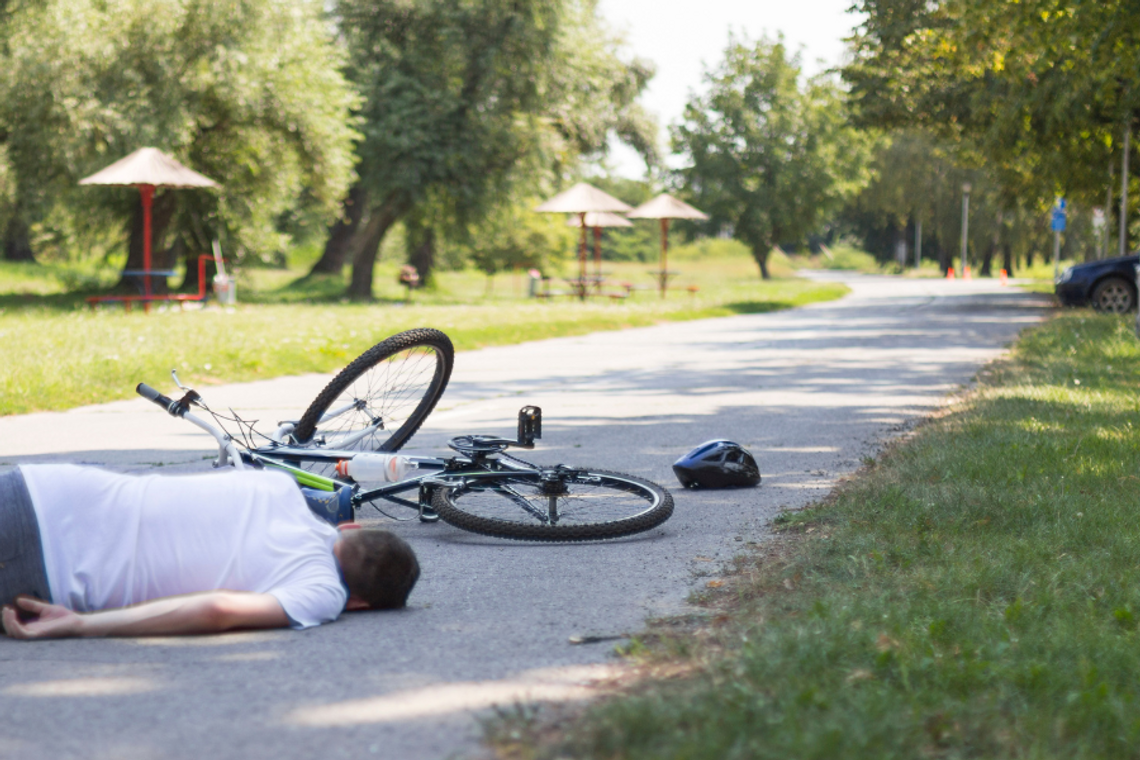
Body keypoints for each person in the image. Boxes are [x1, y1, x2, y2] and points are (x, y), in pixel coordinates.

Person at [0, 464, 419, 640]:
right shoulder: (322, 591)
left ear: (349, 527)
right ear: (361, 604)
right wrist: (81, 626)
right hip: (50, 572)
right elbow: (219, 609)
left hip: (43, 488)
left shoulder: (275, 484)